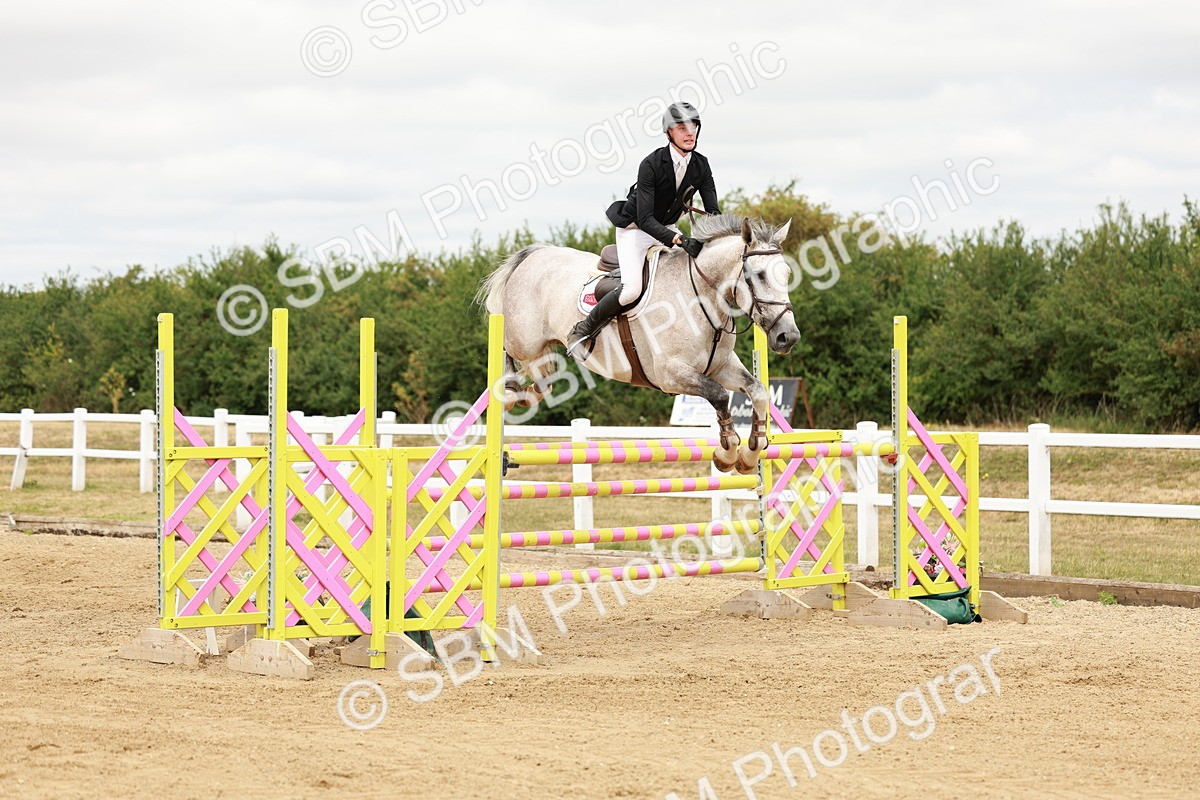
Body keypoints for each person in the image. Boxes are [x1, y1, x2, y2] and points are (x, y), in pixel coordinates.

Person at [566, 101, 720, 358]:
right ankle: (583, 330)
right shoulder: (651, 164)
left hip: (667, 227)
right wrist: (680, 240)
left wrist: (718, 239)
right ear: (669, 133)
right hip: (636, 230)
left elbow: (713, 212)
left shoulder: (701, 165)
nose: (689, 133)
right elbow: (646, 219)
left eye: (693, 127)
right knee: (631, 290)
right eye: (682, 128)